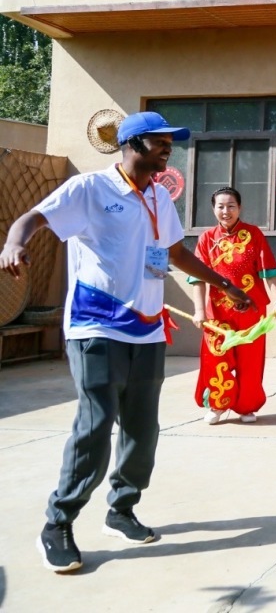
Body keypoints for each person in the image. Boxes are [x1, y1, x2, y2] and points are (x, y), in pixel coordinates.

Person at [0, 111, 252, 573]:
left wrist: (223, 284)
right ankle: (58, 521)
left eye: (170, 142)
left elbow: (175, 254)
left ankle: (121, 509)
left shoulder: (160, 196)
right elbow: (33, 218)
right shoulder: (91, 189)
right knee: (97, 425)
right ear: (133, 142)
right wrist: (14, 243)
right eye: (160, 141)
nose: (168, 147)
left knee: (142, 429)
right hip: (97, 325)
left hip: (148, 327)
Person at [190, 186, 276, 424]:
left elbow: (270, 273)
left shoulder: (254, 235)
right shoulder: (206, 239)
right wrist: (199, 311)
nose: (226, 211)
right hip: (216, 312)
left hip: (251, 310)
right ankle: (218, 406)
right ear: (214, 209)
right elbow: (197, 279)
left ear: (239, 208)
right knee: (216, 358)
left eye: (231, 206)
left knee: (250, 360)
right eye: (220, 206)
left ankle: (246, 407)